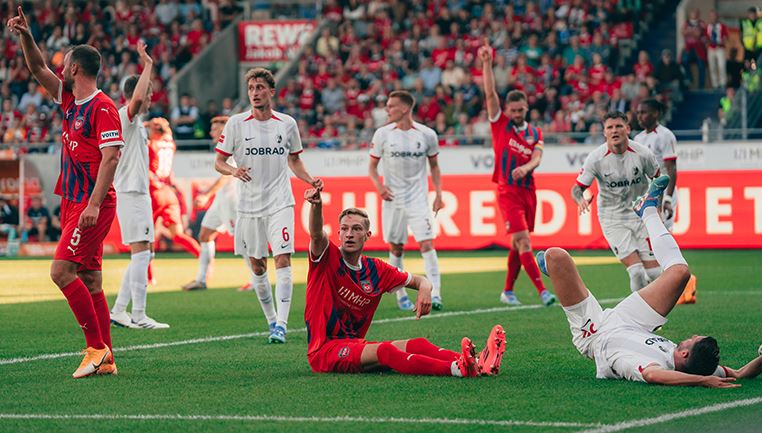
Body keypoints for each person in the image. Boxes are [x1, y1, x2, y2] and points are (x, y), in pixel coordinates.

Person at [537, 176, 762, 387]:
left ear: (685, 354)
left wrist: (701, 382)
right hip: (633, 323)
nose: (691, 336)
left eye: (693, 339)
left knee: (556, 256)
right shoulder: (702, 366)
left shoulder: (657, 366)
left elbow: (652, 375)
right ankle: (648, 210)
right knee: (680, 273)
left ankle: (553, 270)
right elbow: (741, 373)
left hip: (597, 334)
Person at [8, 7, 121, 378]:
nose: (58, 67)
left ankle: (95, 349)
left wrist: (92, 204)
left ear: (75, 69)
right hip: (77, 201)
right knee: (90, 280)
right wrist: (26, 35)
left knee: (60, 271)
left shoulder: (103, 108)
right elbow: (39, 68)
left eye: (64, 62)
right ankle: (107, 357)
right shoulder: (71, 100)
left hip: (93, 203)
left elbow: (110, 159)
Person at [303, 186, 506, 377]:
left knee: (418, 344)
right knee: (385, 350)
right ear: (338, 233)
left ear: (367, 235)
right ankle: (456, 368)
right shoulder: (327, 259)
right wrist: (316, 205)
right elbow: (317, 233)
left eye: (356, 229)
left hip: (355, 344)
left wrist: (425, 288)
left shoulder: (375, 269)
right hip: (325, 351)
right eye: (344, 229)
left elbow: (419, 280)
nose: (349, 234)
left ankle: (479, 363)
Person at [214, 67, 321, 344]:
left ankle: (282, 325)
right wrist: (232, 171)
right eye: (251, 88)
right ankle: (271, 320)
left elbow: (294, 160)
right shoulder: (237, 123)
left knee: (282, 258)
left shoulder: (286, 123)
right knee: (258, 266)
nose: (255, 93)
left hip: (280, 202)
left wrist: (310, 179)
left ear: (271, 92)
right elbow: (219, 161)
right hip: (249, 206)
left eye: (260, 87)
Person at [478, 40, 556, 307]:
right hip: (507, 190)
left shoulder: (535, 133)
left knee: (517, 243)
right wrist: (487, 63)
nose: (515, 114)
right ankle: (543, 291)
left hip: (528, 191)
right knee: (523, 242)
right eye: (511, 110)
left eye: (519, 110)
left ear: (526, 109)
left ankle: (507, 291)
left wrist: (527, 167)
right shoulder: (500, 124)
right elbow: (490, 95)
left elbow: (538, 155)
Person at [110, 41, 169, 329]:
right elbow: (136, 101)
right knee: (142, 251)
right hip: (132, 193)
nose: (150, 99)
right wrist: (148, 65)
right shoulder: (127, 117)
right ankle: (138, 315)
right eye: (148, 94)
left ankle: (121, 309)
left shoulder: (135, 122)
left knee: (145, 251)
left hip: (136, 193)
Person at [368, 90, 445, 311]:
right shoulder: (383, 134)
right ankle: (401, 295)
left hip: (418, 199)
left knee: (427, 244)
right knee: (396, 248)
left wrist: (438, 194)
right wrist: (380, 187)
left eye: (391, 106)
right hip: (393, 200)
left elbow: (435, 166)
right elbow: (372, 167)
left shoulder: (427, 134)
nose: (387, 110)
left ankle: (436, 293)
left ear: (404, 108)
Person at [572, 112, 661, 293]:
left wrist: (656, 206)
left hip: (640, 214)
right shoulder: (596, 158)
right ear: (604, 132)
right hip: (612, 218)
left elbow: (658, 180)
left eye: (619, 126)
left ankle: (653, 307)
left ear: (627, 129)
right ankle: (642, 316)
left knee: (655, 273)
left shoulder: (643, 154)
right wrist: (580, 199)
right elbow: (576, 188)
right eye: (610, 127)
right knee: (636, 272)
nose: (614, 131)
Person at [182, 115, 250, 292]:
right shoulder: (221, 145)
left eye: (215, 128)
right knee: (204, 235)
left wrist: (206, 195)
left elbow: (226, 176)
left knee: (243, 241)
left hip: (232, 200)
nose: (211, 132)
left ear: (224, 129)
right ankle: (201, 280)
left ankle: (256, 279)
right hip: (221, 200)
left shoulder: (235, 143)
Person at [147, 116, 201, 258]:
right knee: (177, 235)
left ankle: (149, 278)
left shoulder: (151, 144)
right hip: (169, 192)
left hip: (154, 191)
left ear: (155, 130)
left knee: (146, 238)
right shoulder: (171, 144)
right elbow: (166, 132)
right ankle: (204, 258)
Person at [705, 10, 728, 90]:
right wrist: (707, 42)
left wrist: (722, 42)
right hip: (711, 48)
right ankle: (715, 84)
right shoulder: (708, 26)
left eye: (714, 16)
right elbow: (705, 37)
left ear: (717, 16)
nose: (713, 17)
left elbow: (725, 37)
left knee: (721, 66)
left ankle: (723, 83)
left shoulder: (722, 26)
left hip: (720, 48)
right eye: (711, 16)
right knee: (712, 67)